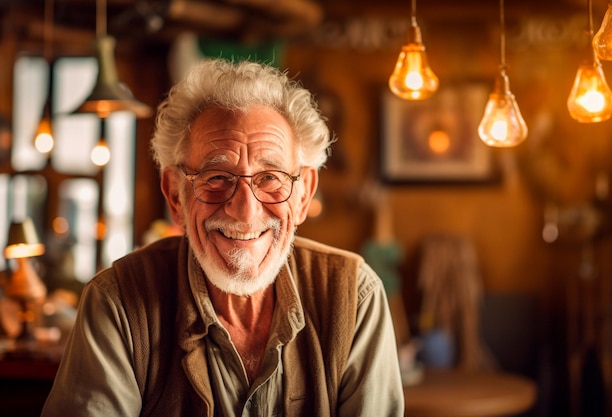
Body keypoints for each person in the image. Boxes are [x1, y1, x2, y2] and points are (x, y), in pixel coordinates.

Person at [41, 58, 404, 416]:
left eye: (270, 177)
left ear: (304, 193)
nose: (244, 211)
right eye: (217, 177)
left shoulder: (354, 298)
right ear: (175, 195)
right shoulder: (117, 302)